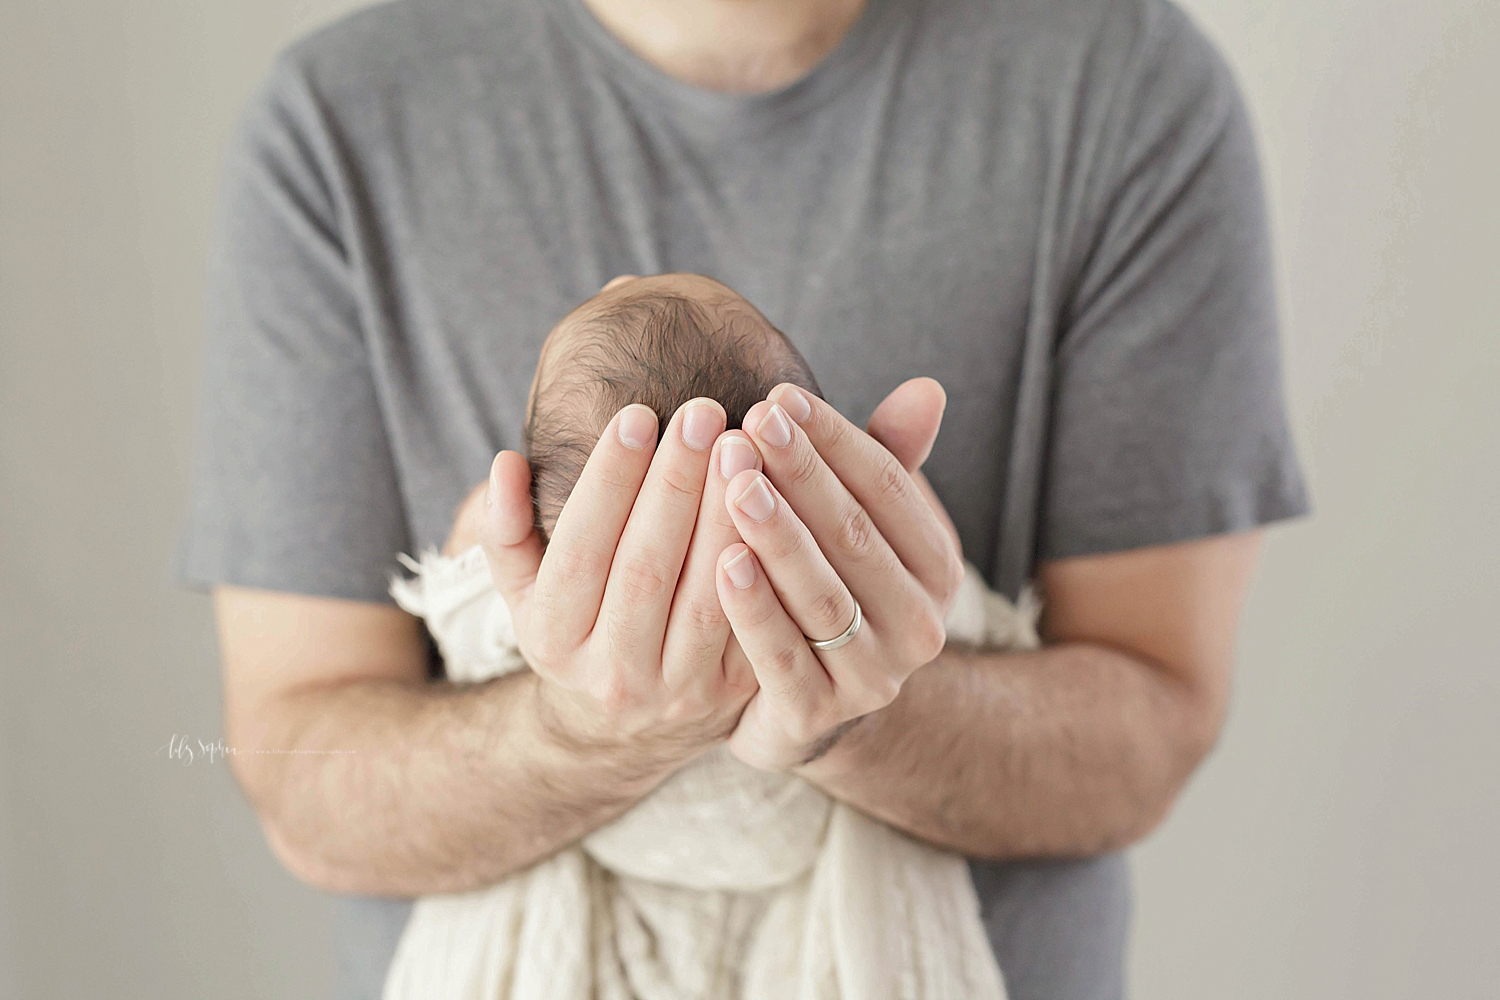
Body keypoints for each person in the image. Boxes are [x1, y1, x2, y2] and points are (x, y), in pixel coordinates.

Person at [177, 0, 1309, 996]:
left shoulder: (1124, 90)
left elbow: (1151, 727)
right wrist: (579, 733)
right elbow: (298, 770)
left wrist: (875, 708)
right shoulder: (336, 127)